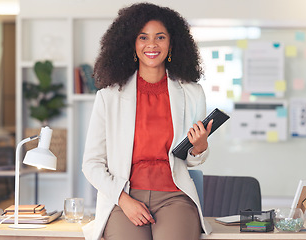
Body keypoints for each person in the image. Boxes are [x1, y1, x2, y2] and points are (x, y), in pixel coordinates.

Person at [82, 3, 213, 240]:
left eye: (160, 37)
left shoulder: (193, 93)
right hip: (124, 198)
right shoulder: (108, 97)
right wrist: (124, 200)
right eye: (143, 37)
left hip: (175, 197)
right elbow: (91, 164)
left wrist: (200, 146)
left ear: (172, 44)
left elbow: (193, 160)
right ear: (132, 44)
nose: (152, 45)